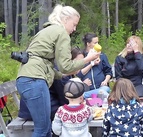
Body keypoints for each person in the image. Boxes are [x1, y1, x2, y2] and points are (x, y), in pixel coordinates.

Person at [15, 4, 99, 137]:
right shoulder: (61, 33)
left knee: (45, 127)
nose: (74, 29)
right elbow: (65, 65)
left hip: (26, 79)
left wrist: (62, 75)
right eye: (74, 24)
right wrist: (88, 59)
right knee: (42, 129)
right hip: (35, 80)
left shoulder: (47, 30)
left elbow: (48, 65)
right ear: (65, 20)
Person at [76, 33, 113, 99]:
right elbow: (79, 74)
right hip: (88, 89)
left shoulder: (102, 56)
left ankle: (98, 93)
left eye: (98, 42)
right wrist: (92, 64)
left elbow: (109, 71)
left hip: (102, 87)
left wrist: (105, 81)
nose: (98, 45)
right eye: (95, 43)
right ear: (88, 44)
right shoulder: (82, 56)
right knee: (99, 92)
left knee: (103, 90)